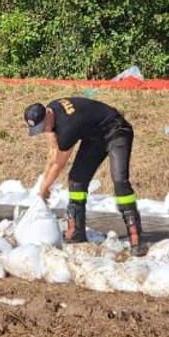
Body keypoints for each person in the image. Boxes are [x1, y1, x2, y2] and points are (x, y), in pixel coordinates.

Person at [26, 96, 146, 255]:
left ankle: (135, 235)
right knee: (76, 179)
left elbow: (59, 164)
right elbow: (53, 153)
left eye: (43, 127)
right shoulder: (51, 110)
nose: (44, 131)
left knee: (120, 181)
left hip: (116, 131)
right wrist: (42, 184)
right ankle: (76, 232)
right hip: (95, 137)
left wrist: (44, 190)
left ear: (47, 115)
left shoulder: (67, 127)